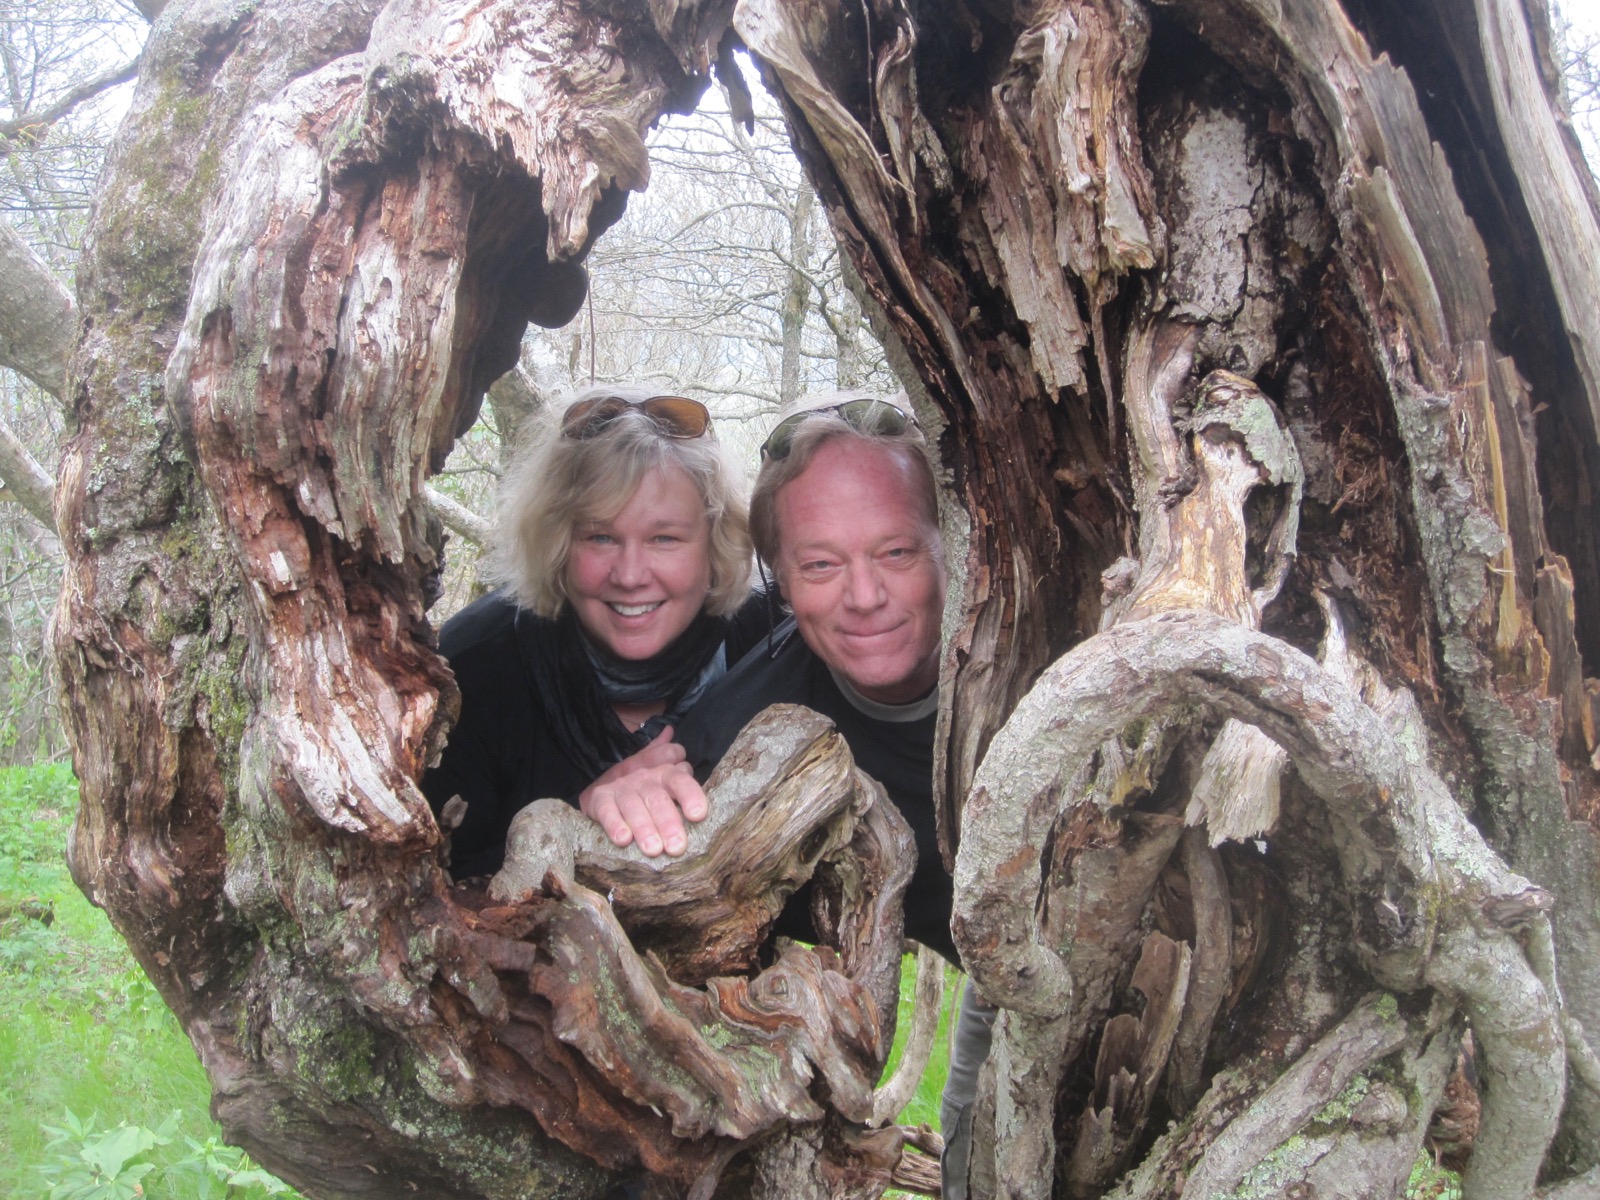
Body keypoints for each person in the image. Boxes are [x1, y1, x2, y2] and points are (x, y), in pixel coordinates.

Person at [421, 385, 772, 877]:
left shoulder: (768, 641)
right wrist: (571, 824)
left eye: (664, 538)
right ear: (558, 542)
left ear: (714, 544)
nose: (630, 575)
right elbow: (424, 896)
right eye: (600, 536)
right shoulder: (468, 676)